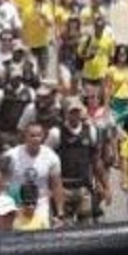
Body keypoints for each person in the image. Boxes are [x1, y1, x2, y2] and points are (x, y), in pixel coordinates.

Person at [48, 96, 109, 224]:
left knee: (86, 228)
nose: (75, 115)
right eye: (71, 112)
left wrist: (105, 186)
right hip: (63, 189)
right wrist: (49, 188)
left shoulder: (90, 131)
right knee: (65, 228)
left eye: (77, 111)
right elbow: (47, 162)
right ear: (65, 113)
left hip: (84, 188)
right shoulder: (56, 133)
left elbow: (96, 161)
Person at [6, 122, 65, 227]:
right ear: (25, 136)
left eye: (38, 136)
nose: (35, 139)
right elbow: (2, 180)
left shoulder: (51, 157)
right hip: (17, 203)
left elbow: (57, 186)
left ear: (43, 137)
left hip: (40, 203)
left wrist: (60, 213)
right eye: (32, 135)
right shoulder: (11, 155)